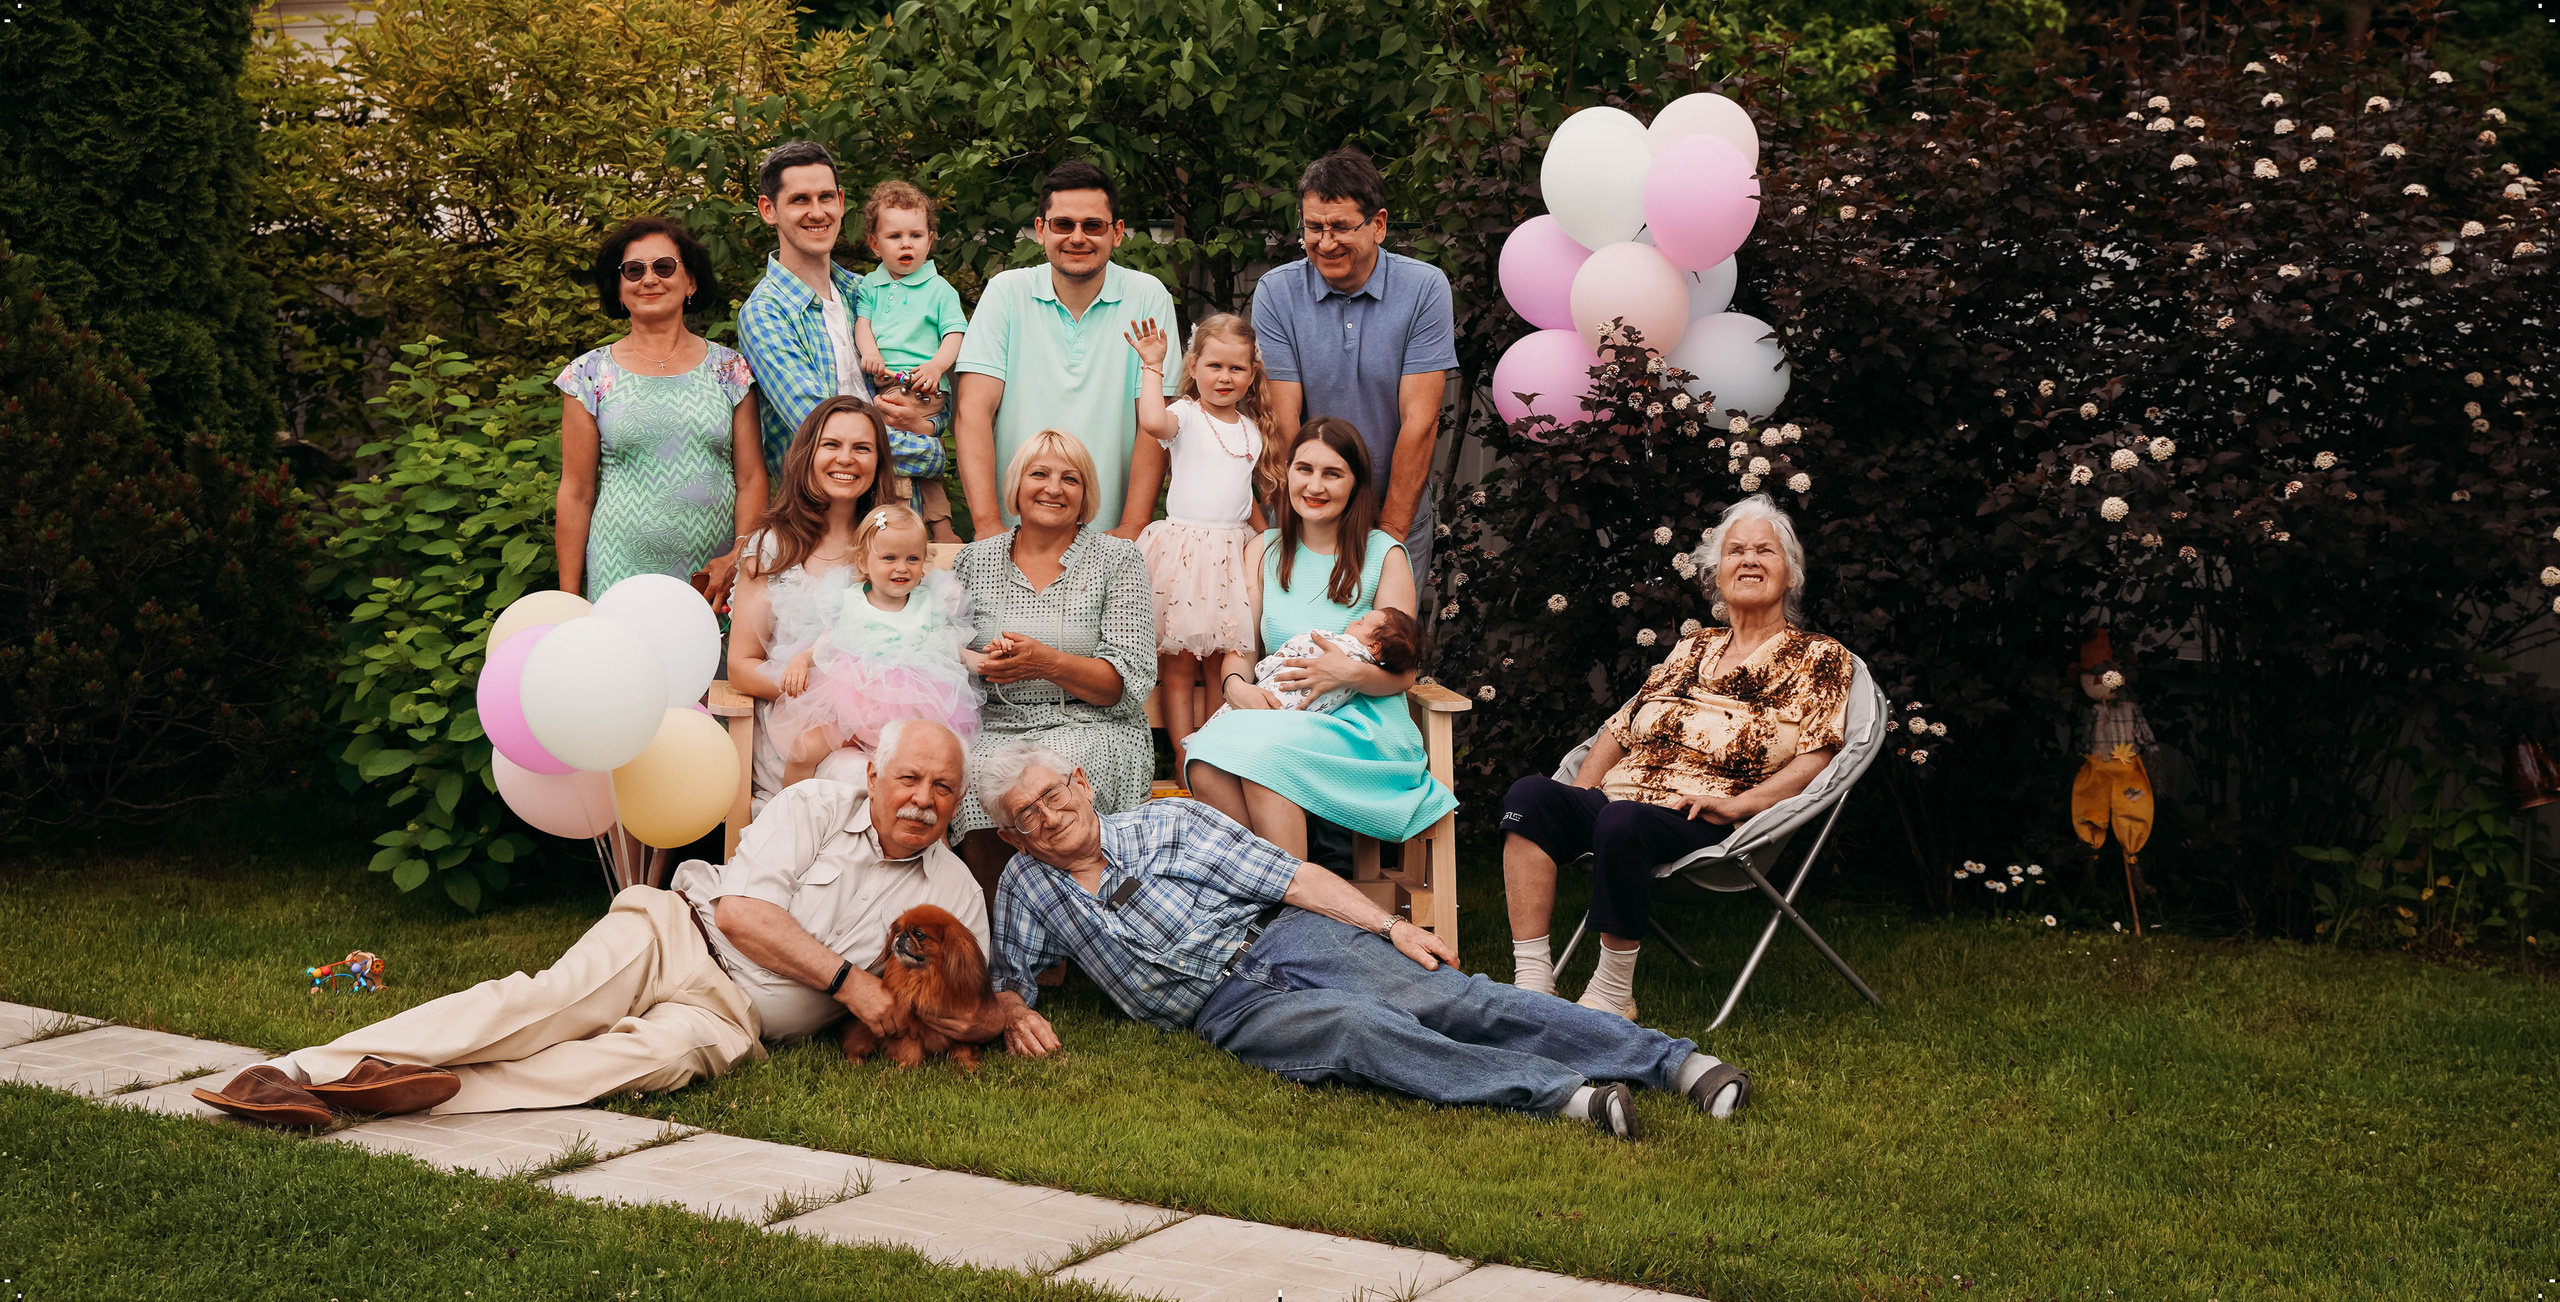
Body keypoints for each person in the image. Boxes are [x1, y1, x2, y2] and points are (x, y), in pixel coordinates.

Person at [191, 722, 1011, 1125]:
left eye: (944, 789)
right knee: (540, 1005)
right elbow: (743, 913)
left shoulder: (952, 886)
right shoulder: (815, 805)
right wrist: (849, 985)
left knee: (611, 1067)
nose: (924, 801)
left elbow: (962, 999)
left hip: (732, 1018)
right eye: (910, 779)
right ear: (874, 773)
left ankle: (382, 1095)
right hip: (677, 934)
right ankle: (294, 1072)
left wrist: (1007, 1011)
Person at [974, 742, 1752, 1141]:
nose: (1046, 817)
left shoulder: (1169, 822)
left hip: (1291, 941)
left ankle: (1679, 1063)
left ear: (1080, 781)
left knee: (1456, 1000)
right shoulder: (1026, 886)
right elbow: (1010, 976)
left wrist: (1391, 926)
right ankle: (1572, 1098)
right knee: (1362, 1034)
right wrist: (1013, 1012)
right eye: (1025, 815)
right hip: (1226, 1008)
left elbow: (1295, 879)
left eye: (1052, 795)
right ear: (1011, 833)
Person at [1499, 495, 1854, 1021]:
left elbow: (1818, 758)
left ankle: (1614, 993)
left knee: (1622, 820)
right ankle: (1532, 977)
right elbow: (1619, 729)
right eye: (1735, 551)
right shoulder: (1690, 648)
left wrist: (1744, 805)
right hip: (1625, 800)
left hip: (1709, 814)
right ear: (1715, 575)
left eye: (1765, 551)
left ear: (1791, 575)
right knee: (1529, 796)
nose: (1749, 560)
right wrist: (1582, 795)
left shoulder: (1819, 657)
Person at [1182, 418, 1453, 860]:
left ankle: (1292, 906)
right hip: (1282, 715)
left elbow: (1403, 677)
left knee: (1263, 758)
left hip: (1360, 726)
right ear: (1287, 472)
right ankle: (1266, 899)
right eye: (1304, 469)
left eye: (1333, 473)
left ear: (1355, 484)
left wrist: (1346, 671)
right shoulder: (1263, 551)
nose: (1315, 485)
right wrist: (1236, 688)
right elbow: (1242, 648)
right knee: (1206, 760)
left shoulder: (1383, 554)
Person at [946, 429, 1157, 903]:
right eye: (1038, 474)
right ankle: (1005, 931)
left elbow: (1125, 684)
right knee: (978, 775)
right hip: (999, 723)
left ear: (1086, 497)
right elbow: (942, 648)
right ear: (1016, 487)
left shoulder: (1117, 558)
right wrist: (980, 664)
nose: (1053, 488)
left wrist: (1047, 663)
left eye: (1071, 479)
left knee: (1054, 775)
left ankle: (1077, 923)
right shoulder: (975, 561)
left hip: (1091, 721)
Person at [1250, 148, 1456, 586]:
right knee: (1292, 647)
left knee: (1383, 648)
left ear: (1378, 225)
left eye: (1341, 227)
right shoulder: (1277, 292)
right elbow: (1283, 418)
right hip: (1304, 513)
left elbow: (1420, 422)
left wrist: (1389, 537)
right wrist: (1308, 521)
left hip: (1395, 509)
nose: (1325, 243)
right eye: (1313, 227)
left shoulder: (1424, 289)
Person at [954, 159, 1180, 540]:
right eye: (1063, 225)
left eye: (1093, 225)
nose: (1078, 237)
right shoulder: (1006, 293)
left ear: (1118, 233)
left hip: (1108, 538)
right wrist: (988, 525)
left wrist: (1132, 526)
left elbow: (1154, 424)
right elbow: (973, 410)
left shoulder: (1148, 296)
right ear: (1040, 230)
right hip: (1010, 535)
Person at [554, 216, 766, 604]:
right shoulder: (588, 374)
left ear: (691, 282)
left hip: (714, 577)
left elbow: (751, 479)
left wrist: (738, 556)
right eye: (633, 271)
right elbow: (576, 492)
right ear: (618, 290)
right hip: (620, 571)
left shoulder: (729, 369)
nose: (649, 279)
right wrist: (568, 599)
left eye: (664, 267)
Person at [734, 142, 949, 507]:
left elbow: (934, 397)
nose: (817, 212)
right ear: (769, 210)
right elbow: (822, 430)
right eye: (800, 200)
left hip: (901, 516)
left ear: (841, 201)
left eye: (826, 197)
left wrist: (927, 423)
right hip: (819, 524)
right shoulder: (765, 313)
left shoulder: (867, 291)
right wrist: (933, 454)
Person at [728, 395, 906, 808]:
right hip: (801, 735)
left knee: (923, 772)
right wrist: (837, 702)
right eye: (832, 445)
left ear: (878, 463)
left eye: (862, 448)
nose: (846, 459)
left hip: (883, 726)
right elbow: (741, 667)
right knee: (863, 780)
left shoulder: (892, 548)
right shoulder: (771, 547)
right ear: (807, 454)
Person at [1123, 312, 1270, 773]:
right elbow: (1150, 421)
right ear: (1194, 368)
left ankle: (1214, 756)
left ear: (1251, 375)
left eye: (1236, 368)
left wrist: (1269, 542)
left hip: (1233, 557)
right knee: (1181, 664)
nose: (1224, 377)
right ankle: (1184, 754)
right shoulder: (1185, 415)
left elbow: (1246, 495)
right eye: (1214, 366)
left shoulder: (1253, 429)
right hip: (1185, 555)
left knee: (1221, 665)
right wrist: (1151, 366)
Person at [768, 503, 983, 787]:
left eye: (912, 559)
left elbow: (951, 648)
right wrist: (800, 661)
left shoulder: (927, 604)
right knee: (803, 750)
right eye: (890, 558)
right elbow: (825, 644)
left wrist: (985, 660)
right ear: (862, 563)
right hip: (853, 706)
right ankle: (790, 812)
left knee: (924, 763)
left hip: (913, 709)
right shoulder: (848, 601)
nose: (902, 568)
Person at [851, 179, 967, 542]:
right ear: (874, 243)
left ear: (930, 240)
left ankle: (929, 527)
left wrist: (936, 366)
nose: (906, 244)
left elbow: (955, 334)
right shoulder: (870, 285)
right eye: (895, 236)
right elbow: (863, 323)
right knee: (898, 457)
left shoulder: (939, 289)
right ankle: (913, 526)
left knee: (894, 452)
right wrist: (869, 352)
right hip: (886, 382)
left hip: (923, 387)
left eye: (916, 235)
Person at [1203, 608, 1422, 723]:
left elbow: (1297, 646)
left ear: (1374, 646)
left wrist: (1266, 667)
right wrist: (1233, 683)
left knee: (1232, 717)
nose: (1355, 621)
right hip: (1298, 722)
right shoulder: (1364, 678)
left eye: (1361, 622)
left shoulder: (1332, 643)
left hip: (1275, 697)